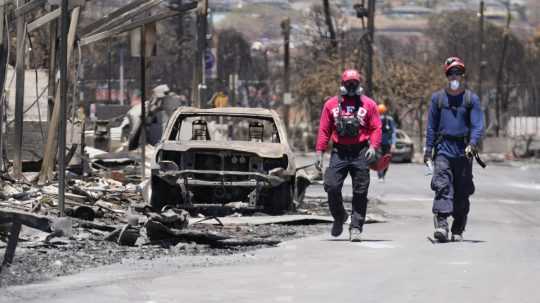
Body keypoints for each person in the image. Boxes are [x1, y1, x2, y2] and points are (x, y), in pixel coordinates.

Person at [315, 69, 382, 242]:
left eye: (355, 83)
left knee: (360, 190)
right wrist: (319, 152)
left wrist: (373, 147)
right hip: (339, 152)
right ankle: (339, 216)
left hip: (360, 152)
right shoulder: (331, 105)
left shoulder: (369, 105)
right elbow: (324, 129)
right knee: (331, 185)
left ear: (359, 85)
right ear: (342, 85)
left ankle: (356, 227)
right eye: (348, 83)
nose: (351, 87)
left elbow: (376, 128)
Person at [424, 57, 484, 242]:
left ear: (463, 75)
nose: (455, 76)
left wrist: (472, 144)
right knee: (442, 186)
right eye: (451, 73)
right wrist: (428, 150)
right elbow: (431, 127)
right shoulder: (438, 99)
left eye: (458, 72)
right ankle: (442, 226)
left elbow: (477, 125)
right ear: (447, 75)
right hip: (443, 150)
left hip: (464, 151)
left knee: (462, 191)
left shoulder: (471, 99)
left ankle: (458, 227)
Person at [377, 104, 396, 182]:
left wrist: (393, 143)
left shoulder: (390, 120)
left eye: (382, 112)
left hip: (387, 143)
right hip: (378, 143)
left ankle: (383, 174)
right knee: (379, 159)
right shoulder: (376, 119)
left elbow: (393, 132)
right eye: (380, 113)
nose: (381, 115)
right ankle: (380, 175)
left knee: (386, 160)